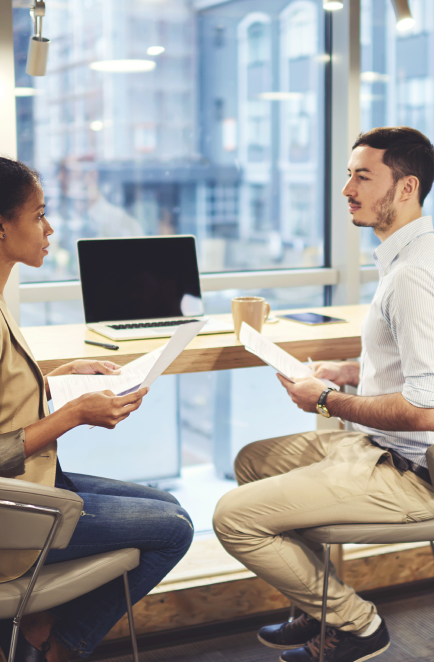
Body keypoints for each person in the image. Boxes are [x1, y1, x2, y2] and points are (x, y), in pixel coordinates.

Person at [0, 155, 194, 662]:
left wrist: (53, 380)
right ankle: (57, 646)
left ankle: (29, 632)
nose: (50, 228)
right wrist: (73, 414)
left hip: (5, 496)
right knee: (174, 530)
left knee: (170, 506)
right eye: (39, 214)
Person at [213, 126, 434, 662]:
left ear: (406, 188)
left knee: (231, 517)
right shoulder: (407, 257)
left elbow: (426, 411)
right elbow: (415, 366)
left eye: (363, 175)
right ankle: (317, 611)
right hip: (375, 445)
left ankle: (359, 626)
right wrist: (351, 370)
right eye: (348, 174)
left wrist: (325, 399)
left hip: (411, 470)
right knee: (253, 461)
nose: (347, 189)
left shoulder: (413, 275)